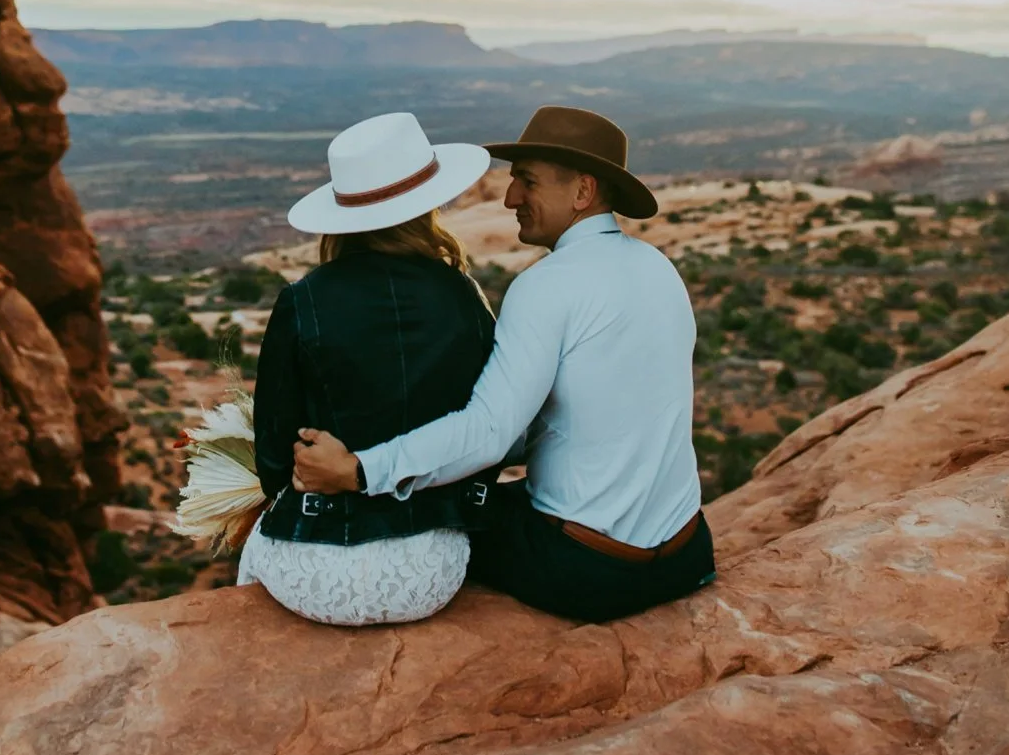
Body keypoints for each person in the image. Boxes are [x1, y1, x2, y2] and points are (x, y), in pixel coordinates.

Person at [292, 105, 714, 625]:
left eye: (527, 182)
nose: (512, 198)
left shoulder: (546, 285)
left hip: (590, 572)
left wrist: (359, 469)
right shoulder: (659, 268)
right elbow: (579, 419)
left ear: (583, 192)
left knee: (424, 520)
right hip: (687, 555)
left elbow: (490, 433)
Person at [238, 110, 497, 626]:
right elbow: (488, 425)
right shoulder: (463, 296)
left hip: (313, 570)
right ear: (427, 207)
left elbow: (273, 453)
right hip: (429, 571)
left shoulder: (302, 301)